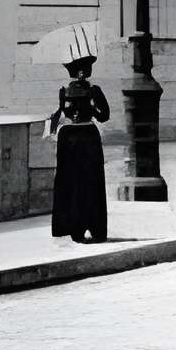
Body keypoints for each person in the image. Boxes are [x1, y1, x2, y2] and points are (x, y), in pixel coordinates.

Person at [48, 55, 110, 241]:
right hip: (87, 135)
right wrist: (92, 110)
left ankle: (70, 225)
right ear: (84, 72)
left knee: (69, 181)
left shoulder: (63, 91)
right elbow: (104, 115)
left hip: (67, 137)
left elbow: (59, 114)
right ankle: (93, 225)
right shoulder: (94, 90)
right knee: (91, 181)